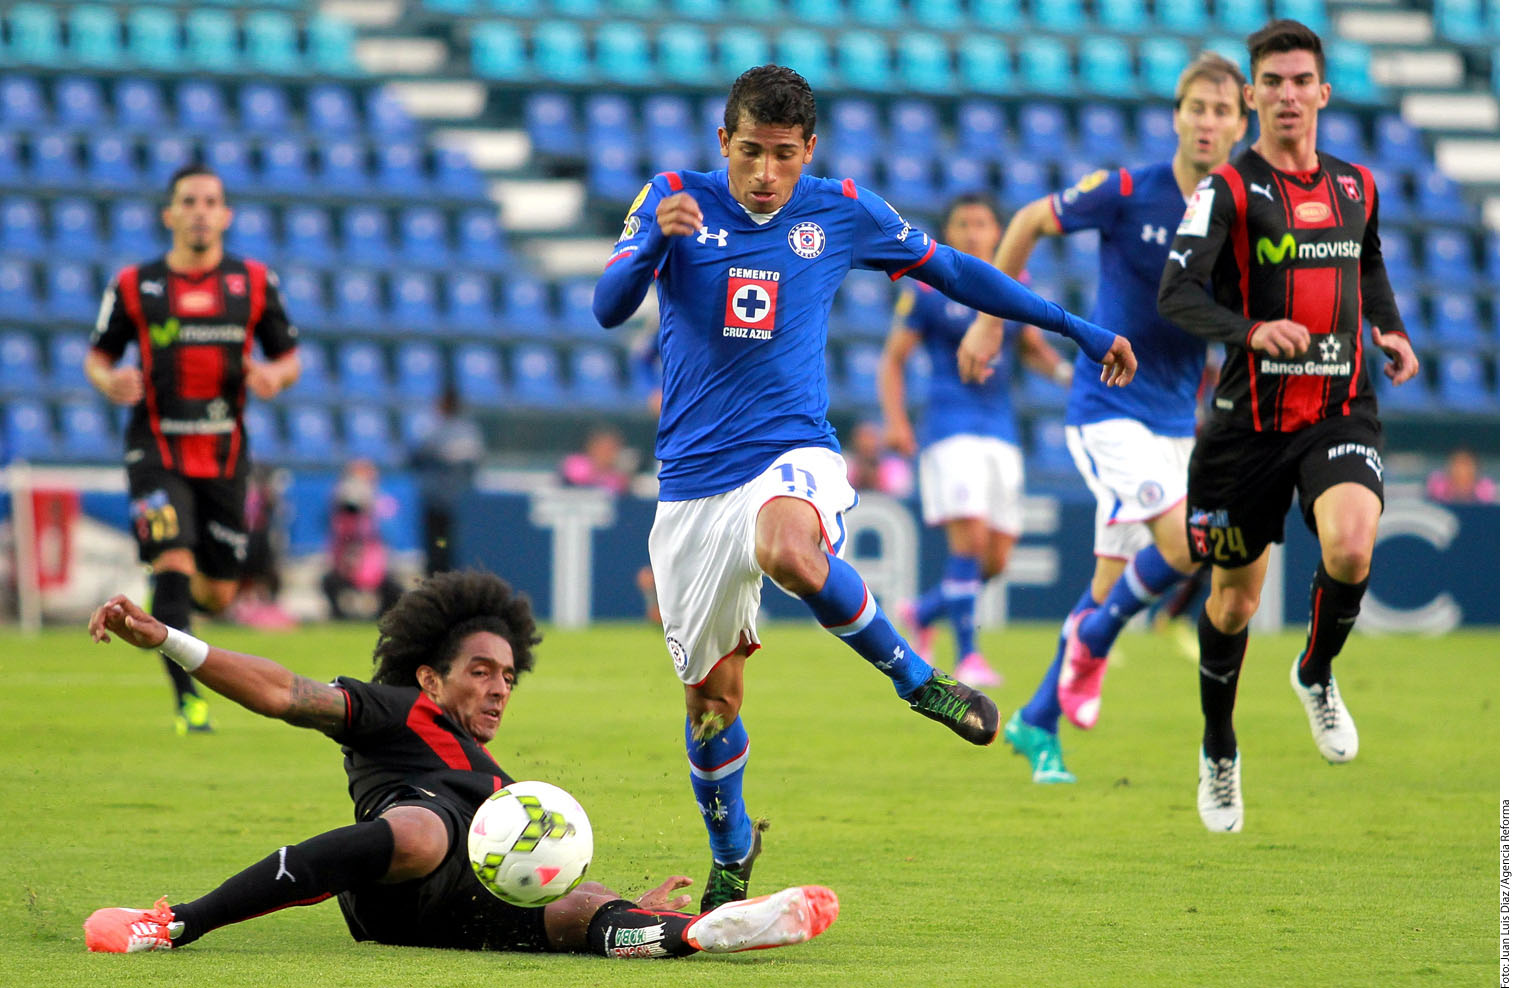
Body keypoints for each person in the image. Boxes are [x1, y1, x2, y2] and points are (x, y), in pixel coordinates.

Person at [592, 64, 1136, 911]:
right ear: (721, 143)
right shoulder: (670, 197)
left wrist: (1072, 325)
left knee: (788, 548)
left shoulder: (841, 209)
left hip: (790, 450)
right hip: (691, 486)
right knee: (710, 709)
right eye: (748, 153)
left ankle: (918, 679)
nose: (765, 174)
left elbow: (956, 271)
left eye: (782, 155)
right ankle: (732, 850)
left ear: (809, 150)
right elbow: (605, 304)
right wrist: (656, 243)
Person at [81, 571, 837, 957]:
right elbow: (285, 692)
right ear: (430, 677)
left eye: (507, 676)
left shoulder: (500, 784)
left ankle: (683, 934)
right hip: (391, 884)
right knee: (424, 831)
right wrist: (171, 641)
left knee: (575, 900)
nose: (498, 687)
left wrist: (617, 899)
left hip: (458, 911)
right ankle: (176, 923)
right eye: (480, 670)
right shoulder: (394, 710)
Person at [1156, 20, 1420, 832]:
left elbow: (1364, 260)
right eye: (1270, 83)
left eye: (1300, 81)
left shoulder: (1357, 187)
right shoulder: (1226, 192)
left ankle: (1314, 671)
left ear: (1323, 93)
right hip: (1248, 428)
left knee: (1348, 545)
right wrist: (1249, 330)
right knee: (1232, 605)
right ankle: (1218, 749)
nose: (1286, 96)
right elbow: (1177, 293)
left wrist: (1389, 326)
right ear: (1251, 96)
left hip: (1339, 407)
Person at [958, 53, 1251, 783]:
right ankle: (1093, 641)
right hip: (1108, 409)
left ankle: (1036, 721)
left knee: (1109, 581)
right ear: (1176, 115)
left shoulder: (1241, 212)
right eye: (1196, 107)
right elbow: (1027, 218)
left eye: (1222, 110)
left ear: (1240, 124)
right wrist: (992, 323)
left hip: (1174, 424)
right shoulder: (1127, 191)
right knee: (1189, 546)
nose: (1207, 121)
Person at [86, 162, 301, 735]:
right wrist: (110, 383)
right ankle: (189, 702)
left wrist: (275, 378)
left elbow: (289, 357)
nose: (200, 211)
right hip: (155, 448)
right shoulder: (135, 285)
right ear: (170, 214)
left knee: (217, 591)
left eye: (211, 201)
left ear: (225, 215)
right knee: (174, 559)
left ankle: (168, 601)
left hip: (225, 457)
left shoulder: (254, 283)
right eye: (189, 201)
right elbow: (98, 356)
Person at [880, 193, 1072, 689]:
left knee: (997, 558)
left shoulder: (1013, 284)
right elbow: (893, 360)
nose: (972, 232)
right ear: (949, 233)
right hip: (949, 426)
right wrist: (897, 421)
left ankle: (923, 611)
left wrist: (1067, 374)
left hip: (1000, 430)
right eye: (962, 224)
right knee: (969, 543)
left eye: (982, 224)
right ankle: (968, 657)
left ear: (998, 233)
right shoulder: (927, 288)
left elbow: (1031, 348)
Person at [409, 388, 485, 575]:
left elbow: (415, 459)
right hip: (454, 505)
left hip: (443, 505)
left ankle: (440, 583)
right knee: (445, 548)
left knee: (440, 548)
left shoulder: (435, 432)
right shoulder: (469, 433)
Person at [321, 460, 405, 621]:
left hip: (373, 564)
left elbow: (390, 533)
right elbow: (335, 531)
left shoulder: (382, 504)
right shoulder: (339, 508)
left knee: (395, 589)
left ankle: (384, 617)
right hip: (345, 565)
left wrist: (370, 508)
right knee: (329, 582)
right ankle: (339, 616)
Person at [842, 420, 912, 497]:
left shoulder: (895, 469)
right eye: (863, 444)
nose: (868, 446)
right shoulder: (844, 468)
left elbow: (900, 500)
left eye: (871, 439)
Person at [560, 423, 634, 495]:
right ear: (591, 447)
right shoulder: (576, 463)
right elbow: (575, 481)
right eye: (603, 447)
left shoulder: (618, 476)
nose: (607, 453)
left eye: (612, 448)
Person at [1425, 447, 1497, 504]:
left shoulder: (1486, 494)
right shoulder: (1436, 491)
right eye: (1457, 464)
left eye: (1466, 464)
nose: (1461, 470)